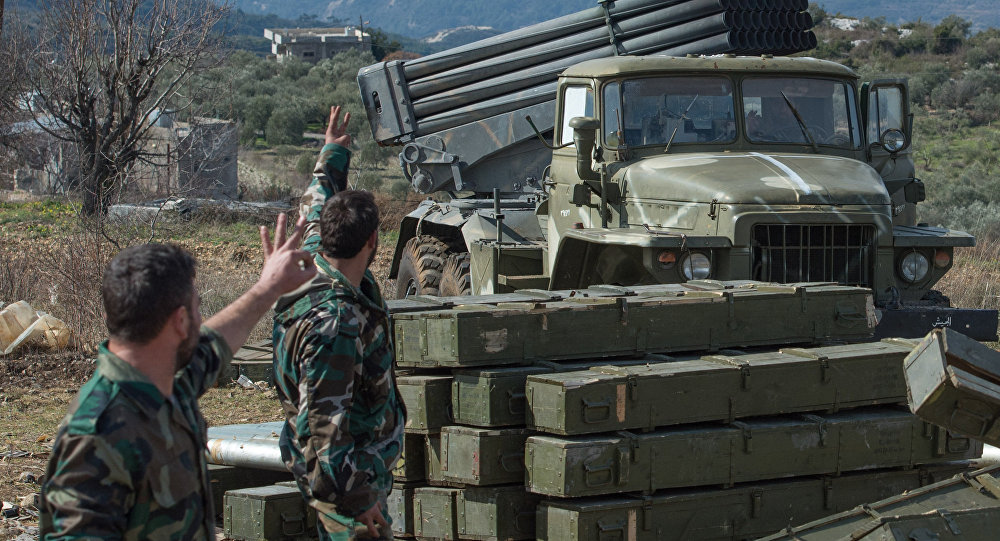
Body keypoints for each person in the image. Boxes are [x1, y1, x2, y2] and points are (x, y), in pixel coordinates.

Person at [39, 215, 317, 539]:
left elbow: (214, 345)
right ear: (180, 322)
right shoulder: (96, 436)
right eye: (198, 308)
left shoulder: (166, 385)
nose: (203, 320)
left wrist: (269, 288)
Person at [272, 105, 405, 540]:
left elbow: (317, 199)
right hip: (346, 480)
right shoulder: (336, 325)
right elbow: (324, 428)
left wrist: (332, 150)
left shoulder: (310, 259)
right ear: (373, 241)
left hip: (340, 470)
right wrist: (357, 499)